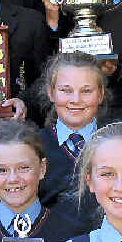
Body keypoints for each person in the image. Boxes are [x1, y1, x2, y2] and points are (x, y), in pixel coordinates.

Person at [36, 52, 110, 228]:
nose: (75, 100)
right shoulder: (33, 146)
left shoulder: (119, 143)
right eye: (66, 90)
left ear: (100, 94)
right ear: (51, 93)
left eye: (86, 91)